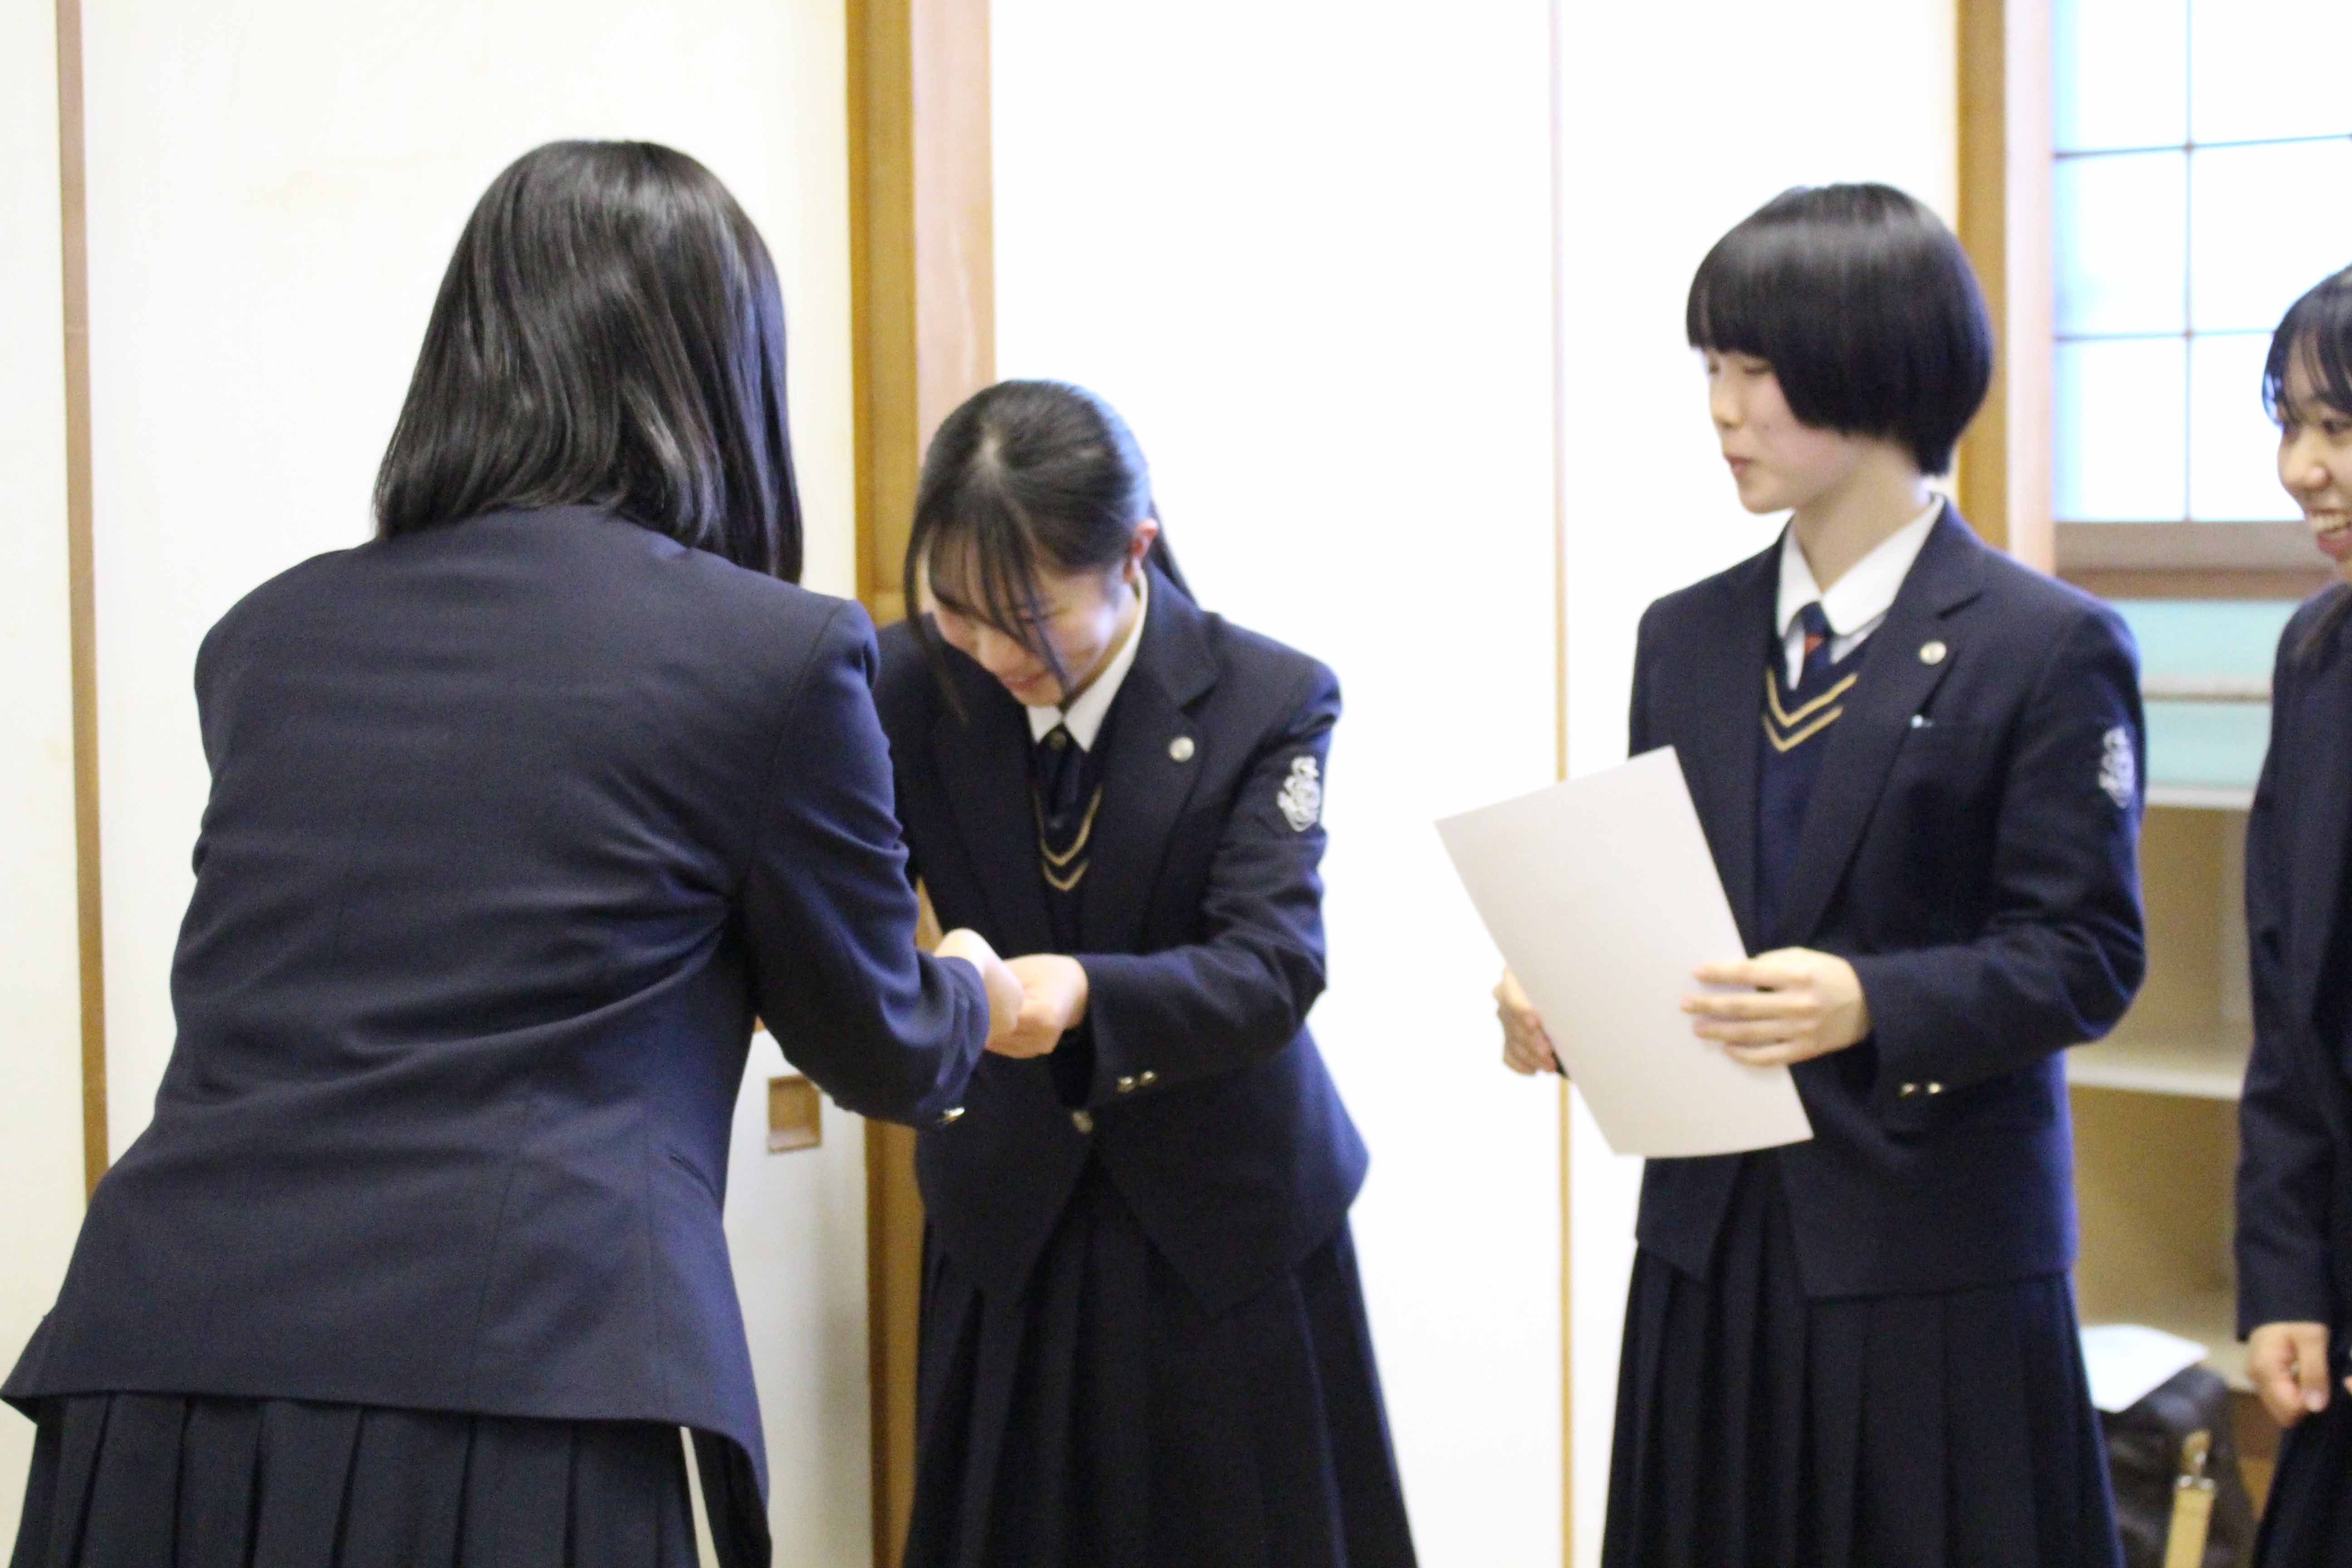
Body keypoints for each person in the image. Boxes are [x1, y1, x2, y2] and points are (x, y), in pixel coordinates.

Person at [5, 141, 1034, 1568]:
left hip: (163, 1369)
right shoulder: (775, 656)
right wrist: (976, 986)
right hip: (514, 1383)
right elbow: (883, 1042)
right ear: (725, 376)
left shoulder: (267, 638)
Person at [1497, 184, 2146, 1567]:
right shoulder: (1685, 636)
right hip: (1711, 1245)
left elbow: (2087, 955)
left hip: (1933, 1264)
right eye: (1711, 370)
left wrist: (1869, 1002)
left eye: (1755, 370)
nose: (1722, 410)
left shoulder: (2046, 644)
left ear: (1877, 368)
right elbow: (1669, 911)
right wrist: (1565, 990)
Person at [872, 379, 1416, 1568]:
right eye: (958, 612)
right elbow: (847, 903)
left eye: (1028, 618)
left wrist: (1080, 992)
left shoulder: (1266, 697)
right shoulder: (902, 687)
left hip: (1227, 1227)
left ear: (1135, 553)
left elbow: (1272, 968)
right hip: (1011, 1217)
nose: (991, 653)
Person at [2238, 262, 2352, 1568]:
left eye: (2339, 428)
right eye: (2290, 426)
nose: (2302, 470)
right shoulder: (2316, 657)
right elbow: (2287, 1014)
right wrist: (2282, 1278)